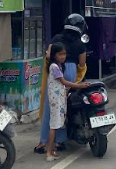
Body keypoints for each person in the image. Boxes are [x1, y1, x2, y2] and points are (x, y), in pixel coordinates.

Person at [34, 13, 89, 154]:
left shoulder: (57, 38)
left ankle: (43, 142)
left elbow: (48, 55)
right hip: (71, 70)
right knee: (64, 106)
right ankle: (59, 141)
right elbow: (82, 64)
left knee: (50, 106)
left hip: (55, 70)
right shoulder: (80, 43)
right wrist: (77, 79)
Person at [44, 44, 88, 161]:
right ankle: (49, 152)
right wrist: (79, 85)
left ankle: (51, 150)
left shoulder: (57, 66)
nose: (63, 56)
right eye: (60, 54)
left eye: (64, 54)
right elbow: (63, 81)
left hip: (58, 99)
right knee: (54, 125)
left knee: (56, 124)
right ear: (54, 55)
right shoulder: (54, 66)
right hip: (56, 100)